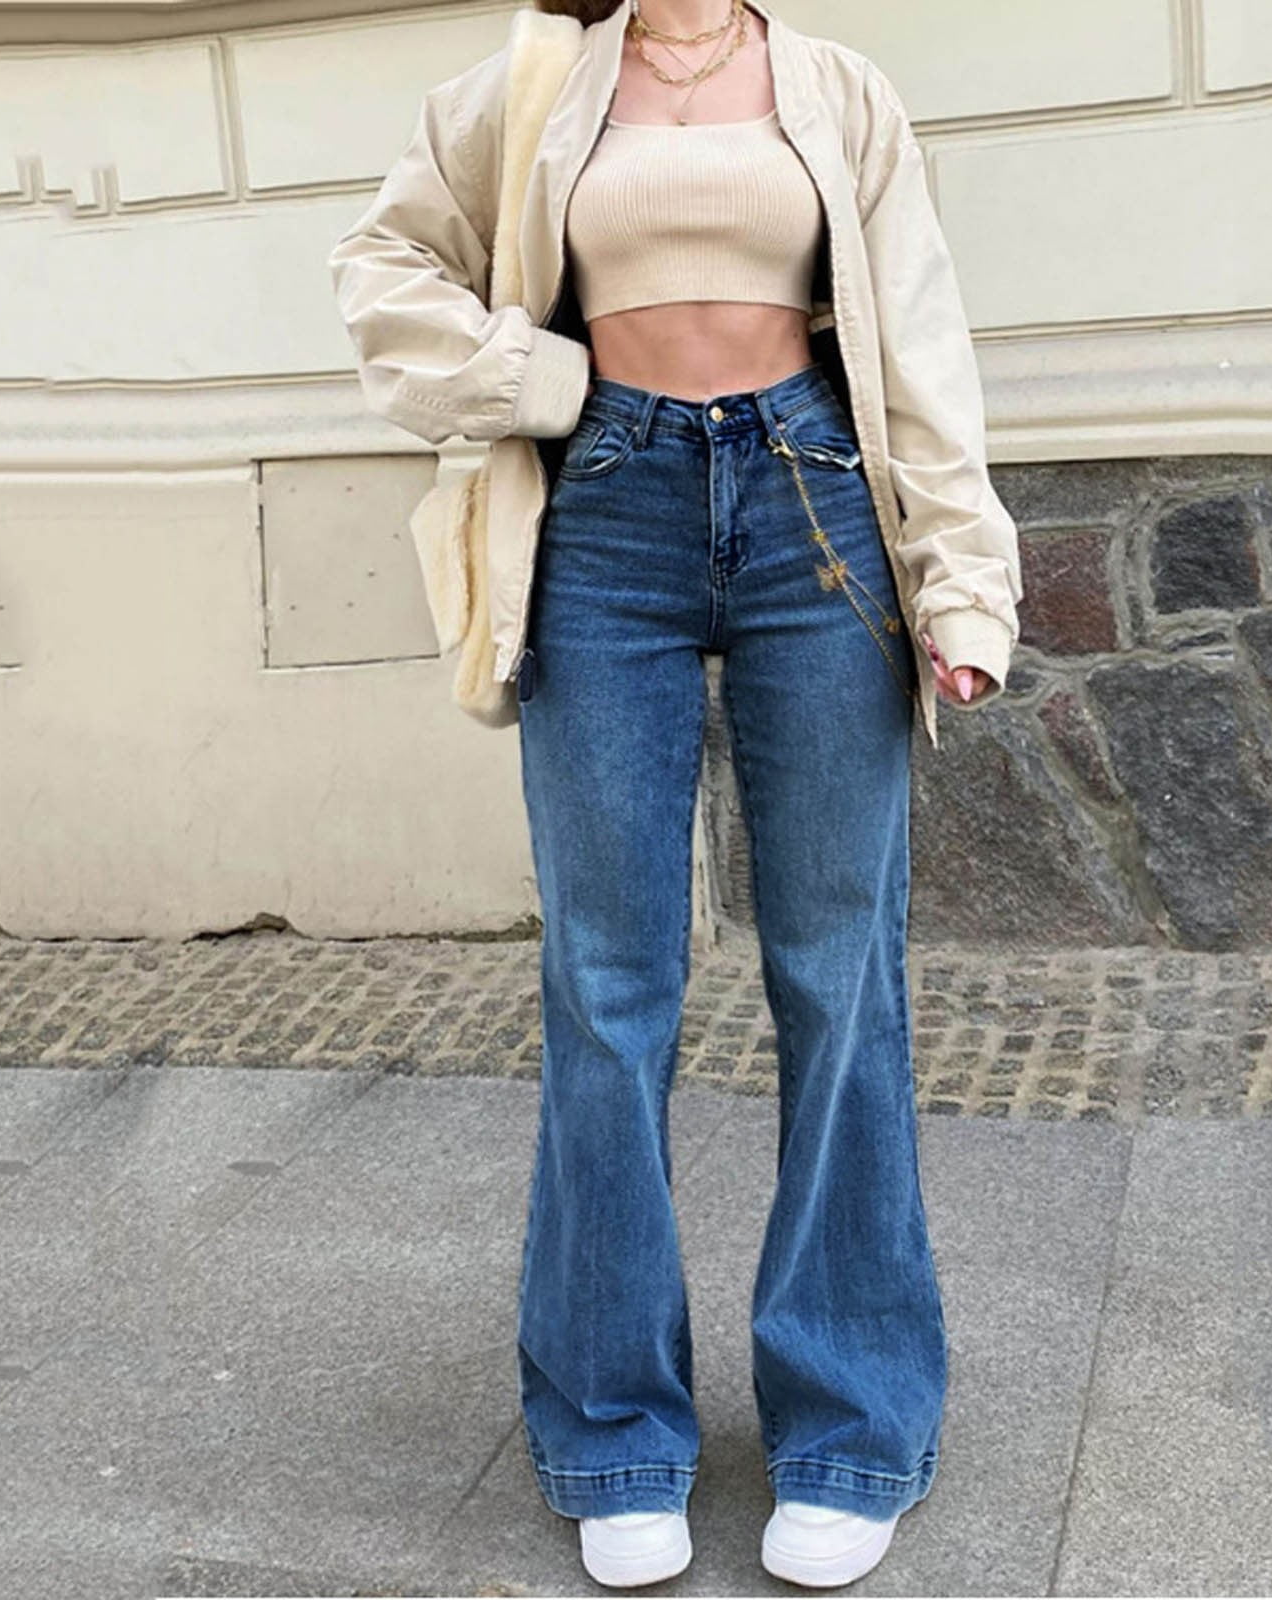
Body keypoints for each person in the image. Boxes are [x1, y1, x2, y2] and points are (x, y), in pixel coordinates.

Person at [329, 0, 1023, 1587]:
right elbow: (384, 264)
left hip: (814, 500)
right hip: (606, 512)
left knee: (840, 975)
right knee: (609, 983)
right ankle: (614, 1433)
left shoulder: (838, 89)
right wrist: (536, 377)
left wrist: (962, 585)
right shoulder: (529, 83)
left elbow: (920, 337)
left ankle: (851, 1427)